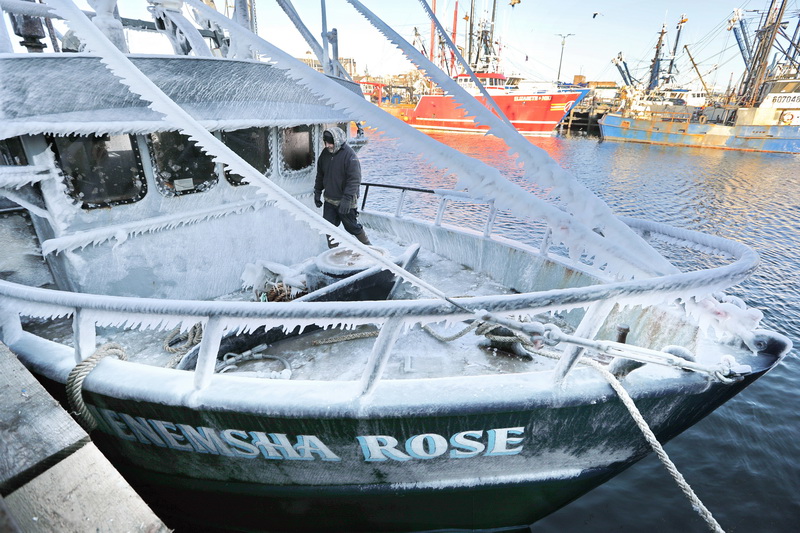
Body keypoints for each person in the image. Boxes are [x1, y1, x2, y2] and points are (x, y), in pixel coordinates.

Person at [314, 127, 371, 247]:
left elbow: (354, 180)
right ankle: (334, 252)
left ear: (337, 140)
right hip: (330, 199)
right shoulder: (325, 154)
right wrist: (317, 192)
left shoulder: (350, 155)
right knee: (328, 227)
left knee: (352, 227)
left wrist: (346, 199)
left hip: (346, 200)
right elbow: (320, 174)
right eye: (326, 142)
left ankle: (370, 248)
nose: (328, 145)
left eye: (331, 142)